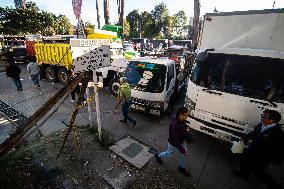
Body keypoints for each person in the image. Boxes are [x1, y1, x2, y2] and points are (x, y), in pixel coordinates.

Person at [233, 109, 284, 189]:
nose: (261, 118)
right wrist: (245, 138)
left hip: (262, 158)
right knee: (245, 162)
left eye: (264, 117)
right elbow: (254, 132)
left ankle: (274, 186)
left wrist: (277, 161)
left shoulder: (278, 134)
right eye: (262, 115)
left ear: (272, 120)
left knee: (258, 172)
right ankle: (243, 175)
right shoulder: (262, 124)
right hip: (252, 150)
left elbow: (280, 150)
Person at [154, 107, 191, 177]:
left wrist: (186, 127)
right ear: (181, 114)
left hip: (182, 141)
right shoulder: (174, 124)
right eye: (186, 115)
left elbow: (183, 124)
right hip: (173, 143)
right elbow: (175, 139)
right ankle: (158, 155)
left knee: (183, 154)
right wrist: (183, 150)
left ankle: (181, 167)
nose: (187, 116)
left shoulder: (182, 119)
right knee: (169, 154)